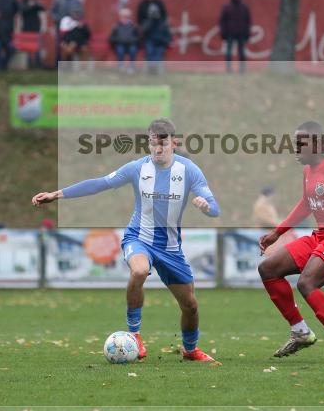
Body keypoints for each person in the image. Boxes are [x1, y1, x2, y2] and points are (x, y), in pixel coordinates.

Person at [31, 118, 220, 362]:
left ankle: (190, 350)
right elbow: (98, 184)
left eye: (163, 143)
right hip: (139, 237)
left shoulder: (189, 170)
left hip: (171, 248)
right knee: (139, 271)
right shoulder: (137, 168)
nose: (158, 149)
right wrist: (56, 194)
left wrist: (206, 207)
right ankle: (134, 335)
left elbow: (214, 207)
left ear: (175, 142)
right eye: (153, 143)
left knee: (190, 306)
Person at [257, 121, 324, 364]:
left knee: (307, 283)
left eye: (300, 143)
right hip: (322, 235)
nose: (295, 147)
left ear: (316, 144)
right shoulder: (309, 169)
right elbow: (306, 204)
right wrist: (277, 232)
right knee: (268, 268)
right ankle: (300, 331)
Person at [219, 0, 252, 73]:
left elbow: (248, 21)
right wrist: (223, 32)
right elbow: (222, 20)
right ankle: (229, 69)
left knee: (241, 52)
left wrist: (247, 32)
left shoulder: (244, 7)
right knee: (229, 52)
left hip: (241, 33)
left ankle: (242, 69)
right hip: (230, 33)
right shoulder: (227, 7)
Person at [51, 0, 84, 65]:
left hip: (72, 28)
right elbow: (53, 11)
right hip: (60, 26)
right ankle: (57, 63)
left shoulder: (76, 0)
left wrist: (76, 19)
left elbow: (81, 12)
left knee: (71, 45)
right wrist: (56, 19)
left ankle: (70, 63)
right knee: (59, 44)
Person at [19, 0, 45, 68]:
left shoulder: (36, 1)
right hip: (26, 28)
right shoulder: (22, 1)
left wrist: (34, 4)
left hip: (36, 28)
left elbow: (42, 8)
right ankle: (29, 64)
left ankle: (38, 63)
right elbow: (23, 10)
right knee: (28, 47)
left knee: (37, 47)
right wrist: (30, 6)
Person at [141, 4, 172, 75]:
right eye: (152, 12)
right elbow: (144, 31)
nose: (154, 14)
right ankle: (151, 68)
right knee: (150, 52)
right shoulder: (147, 22)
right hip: (150, 42)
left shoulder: (163, 23)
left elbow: (168, 35)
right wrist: (151, 21)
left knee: (158, 54)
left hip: (160, 43)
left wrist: (166, 41)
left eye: (155, 12)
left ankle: (154, 68)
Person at [109, 8, 140, 74]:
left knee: (133, 50)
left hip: (131, 44)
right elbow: (111, 37)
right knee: (120, 51)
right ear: (120, 17)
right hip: (120, 44)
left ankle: (131, 67)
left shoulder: (134, 26)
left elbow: (138, 37)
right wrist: (117, 40)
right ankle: (121, 67)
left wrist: (133, 41)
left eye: (127, 16)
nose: (125, 18)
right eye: (123, 16)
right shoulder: (116, 26)